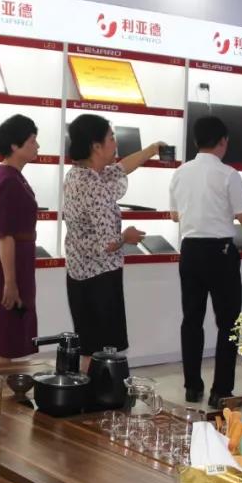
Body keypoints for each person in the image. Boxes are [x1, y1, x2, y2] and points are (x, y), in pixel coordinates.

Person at [63, 114, 164, 369]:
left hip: (78, 275)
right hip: (101, 279)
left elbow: (121, 168)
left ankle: (86, 390)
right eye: (111, 138)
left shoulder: (77, 175)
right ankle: (99, 392)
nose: (115, 143)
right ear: (96, 146)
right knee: (102, 352)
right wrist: (126, 237)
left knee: (88, 347)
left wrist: (151, 150)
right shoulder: (95, 187)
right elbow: (109, 243)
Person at [169, 115, 242, 408]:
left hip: (190, 250)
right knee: (228, 323)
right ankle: (221, 391)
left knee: (192, 320)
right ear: (223, 141)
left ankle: (192, 387)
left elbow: (174, 215)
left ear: (196, 141)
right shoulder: (228, 174)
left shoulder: (180, 173)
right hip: (220, 252)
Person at [0, 115, 41, 364]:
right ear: (15, 145)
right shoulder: (7, 180)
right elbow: (5, 236)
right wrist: (10, 282)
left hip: (14, 263)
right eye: (32, 141)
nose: (37, 146)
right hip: (6, 266)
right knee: (3, 339)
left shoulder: (12, 176)